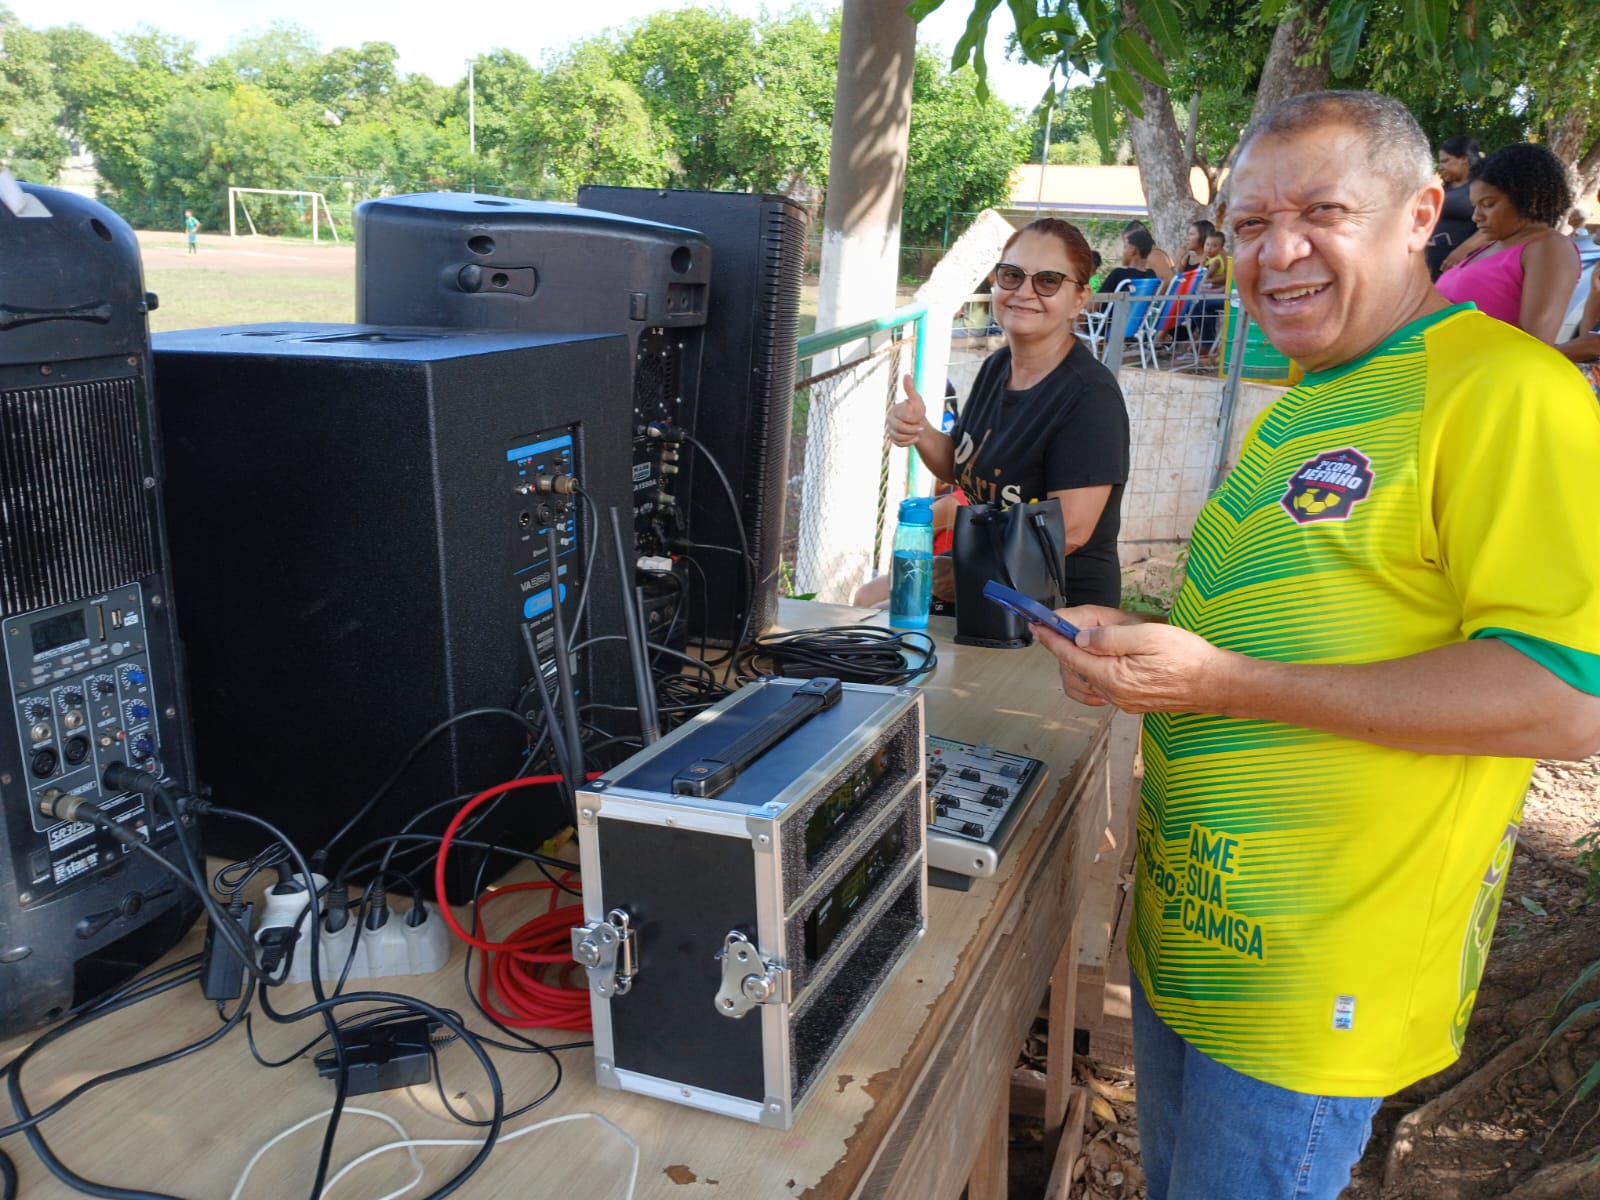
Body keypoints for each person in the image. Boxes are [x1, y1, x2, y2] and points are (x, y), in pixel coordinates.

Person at [1032, 91, 1600, 1200]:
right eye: (1246, 224)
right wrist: (1146, 646)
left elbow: (1562, 699)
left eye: (1321, 212)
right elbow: (1287, 624)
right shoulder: (1303, 402)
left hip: (1312, 985)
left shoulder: (1503, 392)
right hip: (1190, 939)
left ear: (1420, 212)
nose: (1274, 251)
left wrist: (1227, 681)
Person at [887, 217, 1129, 607]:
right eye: (1012, 275)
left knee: (888, 618)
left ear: (1079, 299)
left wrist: (968, 571)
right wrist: (920, 431)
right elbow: (960, 466)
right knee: (873, 604)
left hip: (1055, 606)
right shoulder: (997, 367)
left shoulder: (1089, 397)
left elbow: (1073, 530)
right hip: (992, 578)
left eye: (1048, 280)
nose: (1024, 292)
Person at [1435, 142, 1579, 343]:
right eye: (1474, 206)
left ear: (1531, 198)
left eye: (1487, 204)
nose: (1476, 216)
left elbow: (1533, 343)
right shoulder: (1494, 245)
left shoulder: (1549, 248)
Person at [1427, 134, 1482, 278]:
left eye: (1446, 161)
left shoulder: (1483, 187)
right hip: (1434, 266)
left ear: (1463, 158)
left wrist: (1463, 251)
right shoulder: (1444, 188)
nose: (1441, 166)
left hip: (1464, 267)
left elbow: (1496, 226)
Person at [1098, 228, 1160, 297]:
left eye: (1125, 247)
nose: (1123, 252)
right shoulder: (1152, 276)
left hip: (1120, 308)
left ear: (1133, 249)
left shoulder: (1119, 274)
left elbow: (1094, 304)